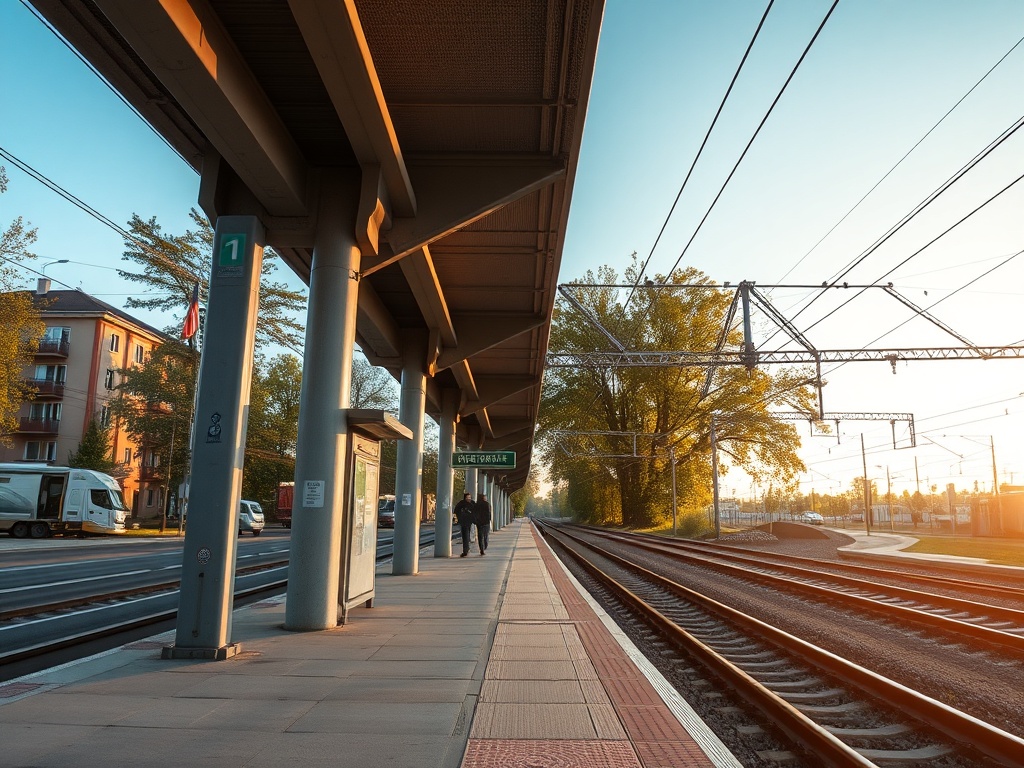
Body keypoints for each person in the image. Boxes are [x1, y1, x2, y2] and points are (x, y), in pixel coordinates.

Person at [453, 492, 476, 558]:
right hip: (463, 521)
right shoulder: (461, 503)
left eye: (469, 497)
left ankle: (466, 550)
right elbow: (456, 511)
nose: (468, 499)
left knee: (466, 535)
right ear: (465, 498)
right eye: (467, 497)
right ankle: (466, 549)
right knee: (465, 535)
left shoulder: (472, 503)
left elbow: (476, 512)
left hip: (469, 521)